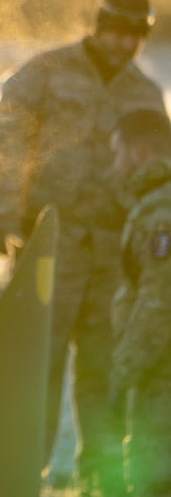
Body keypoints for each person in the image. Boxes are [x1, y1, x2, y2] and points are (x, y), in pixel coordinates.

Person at [0, 0, 165, 494]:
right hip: (46, 245)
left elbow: (155, 171)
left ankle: (99, 482)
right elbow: (6, 141)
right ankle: (21, 477)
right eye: (118, 29)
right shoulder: (45, 72)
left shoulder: (146, 94)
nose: (125, 42)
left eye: (137, 34)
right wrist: (1, 213)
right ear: (99, 21)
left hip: (113, 255)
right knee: (34, 367)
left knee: (104, 375)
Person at [108, 109, 171, 495]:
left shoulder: (158, 214)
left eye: (117, 154)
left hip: (159, 378)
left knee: (152, 481)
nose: (114, 167)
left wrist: (123, 372)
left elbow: (158, 304)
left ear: (139, 152)